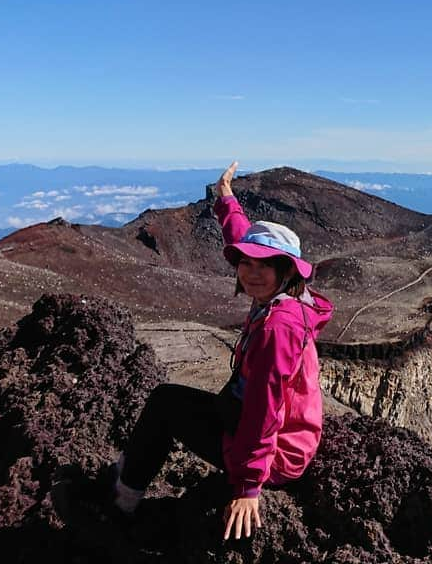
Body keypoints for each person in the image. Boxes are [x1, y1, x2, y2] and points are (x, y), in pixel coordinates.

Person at [110, 161, 334, 541]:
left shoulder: (279, 328)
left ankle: (120, 503)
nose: (251, 272)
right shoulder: (288, 300)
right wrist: (226, 199)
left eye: (266, 265)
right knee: (166, 399)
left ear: (288, 271)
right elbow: (242, 235)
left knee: (165, 406)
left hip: (278, 454)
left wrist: (249, 487)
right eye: (245, 262)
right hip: (279, 434)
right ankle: (129, 474)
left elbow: (266, 407)